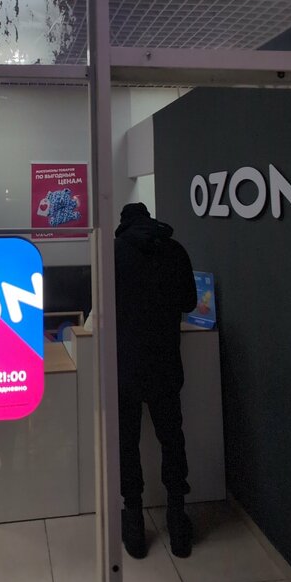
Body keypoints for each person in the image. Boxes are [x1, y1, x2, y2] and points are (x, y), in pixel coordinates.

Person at [113, 202, 197, 559]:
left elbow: (101, 308)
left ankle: (134, 522)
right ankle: (177, 520)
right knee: (172, 439)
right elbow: (189, 302)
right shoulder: (174, 249)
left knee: (127, 443)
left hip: (125, 367)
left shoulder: (113, 253)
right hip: (165, 364)